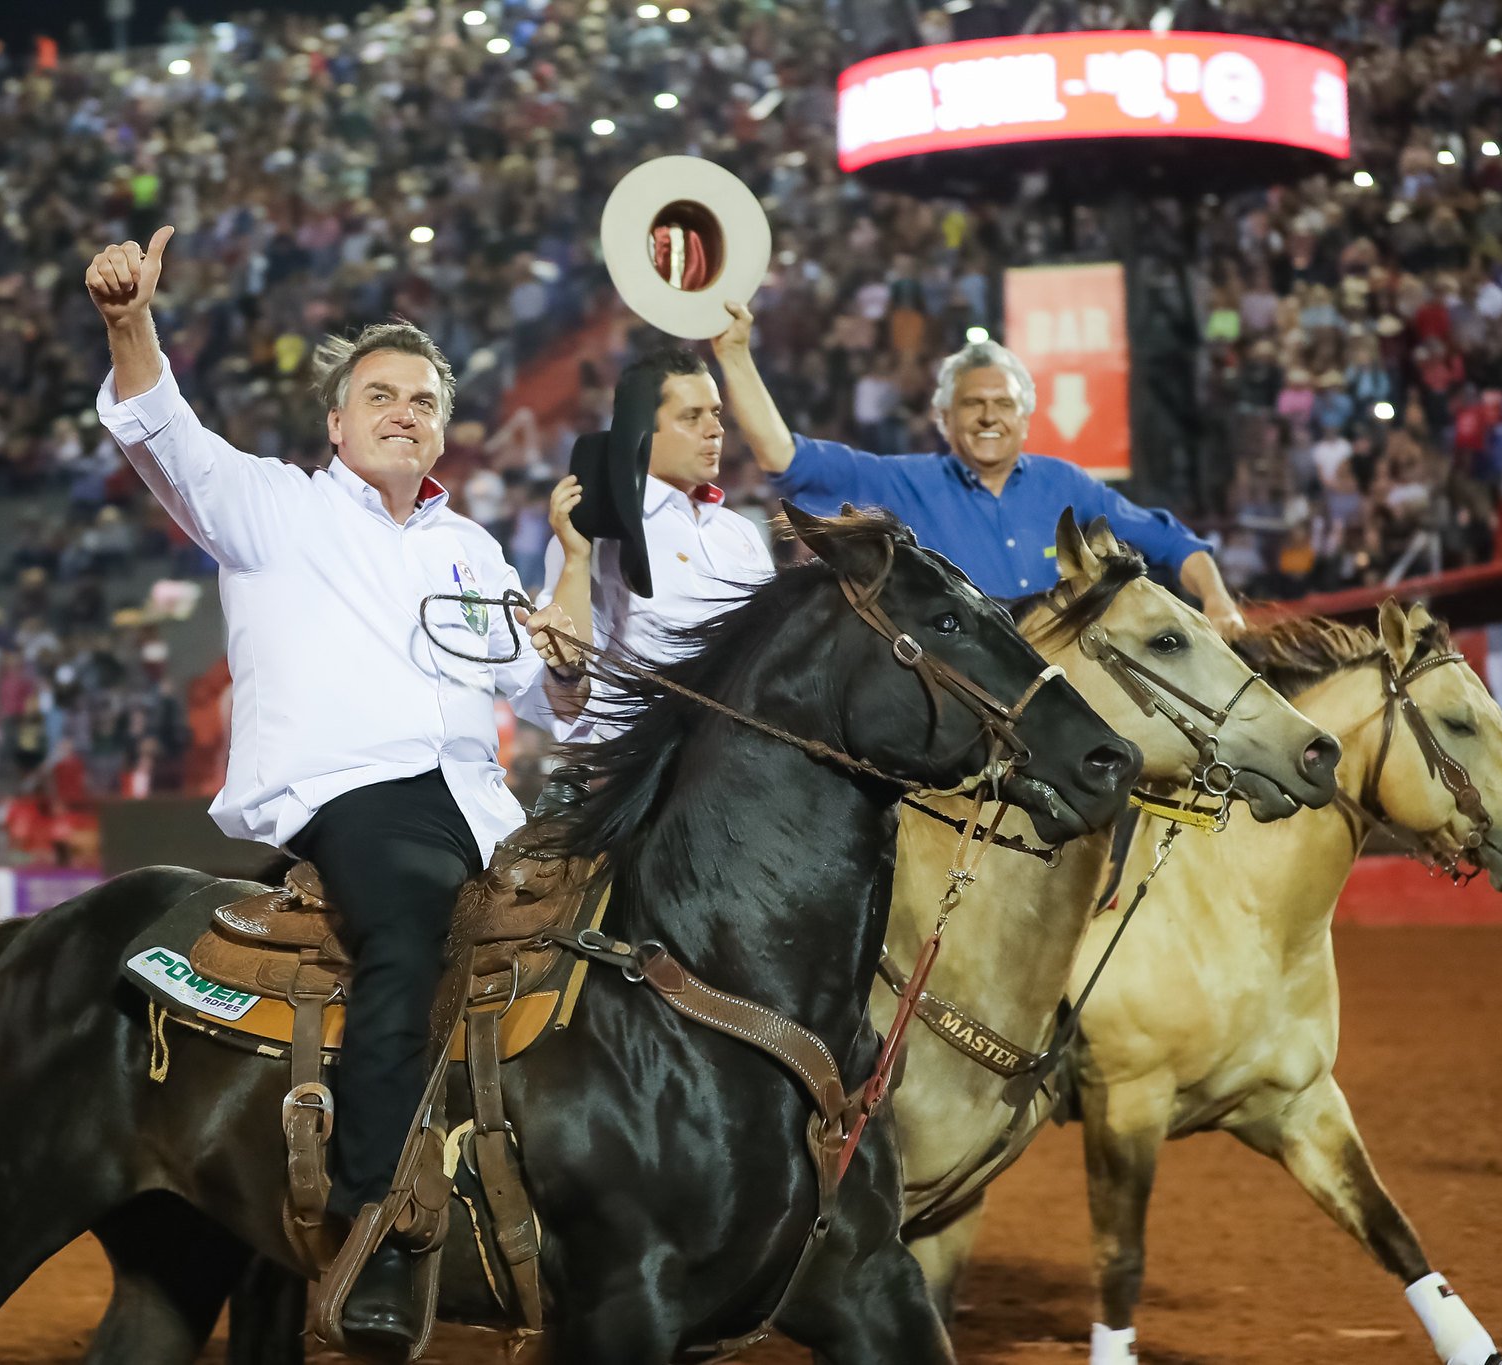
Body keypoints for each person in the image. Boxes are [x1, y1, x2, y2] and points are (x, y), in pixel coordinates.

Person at [88, 226, 591, 1349]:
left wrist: (572, 565)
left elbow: (555, 688)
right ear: (335, 421)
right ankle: (373, 1226)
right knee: (408, 935)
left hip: (487, 810)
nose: (403, 409)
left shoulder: (473, 549)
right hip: (355, 799)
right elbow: (164, 433)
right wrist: (129, 322)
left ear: (443, 424)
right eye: (379, 394)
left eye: (422, 396)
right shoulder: (270, 508)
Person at [713, 304, 1247, 635]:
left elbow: (1175, 544)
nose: (990, 416)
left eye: (1004, 404)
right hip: (957, 708)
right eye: (973, 404)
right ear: (943, 418)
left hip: (1060, 697)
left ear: (1025, 416)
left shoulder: (1065, 484)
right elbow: (781, 458)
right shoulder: (902, 481)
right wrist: (735, 353)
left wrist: (1219, 602)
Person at [541, 346, 774, 741]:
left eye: (715, 412)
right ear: (642, 430)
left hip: (745, 761)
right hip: (647, 768)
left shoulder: (742, 531)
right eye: (691, 417)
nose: (715, 429)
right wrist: (576, 559)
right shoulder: (598, 535)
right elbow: (570, 700)